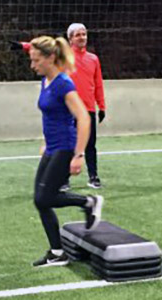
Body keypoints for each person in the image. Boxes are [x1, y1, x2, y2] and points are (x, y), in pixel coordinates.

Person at [26, 35, 104, 267]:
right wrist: (45, 141)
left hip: (66, 147)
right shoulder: (46, 80)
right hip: (52, 146)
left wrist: (78, 154)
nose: (33, 65)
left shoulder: (63, 83)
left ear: (50, 58)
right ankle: (58, 252)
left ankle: (89, 202)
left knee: (45, 197)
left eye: (36, 60)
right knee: (40, 201)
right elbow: (52, 116)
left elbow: (82, 118)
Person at [63, 23, 106, 190]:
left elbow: (98, 83)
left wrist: (101, 106)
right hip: (69, 109)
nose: (82, 37)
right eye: (78, 35)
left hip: (88, 109)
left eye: (84, 34)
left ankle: (93, 176)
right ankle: (63, 178)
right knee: (69, 145)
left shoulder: (93, 59)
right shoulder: (64, 58)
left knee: (90, 144)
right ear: (70, 39)